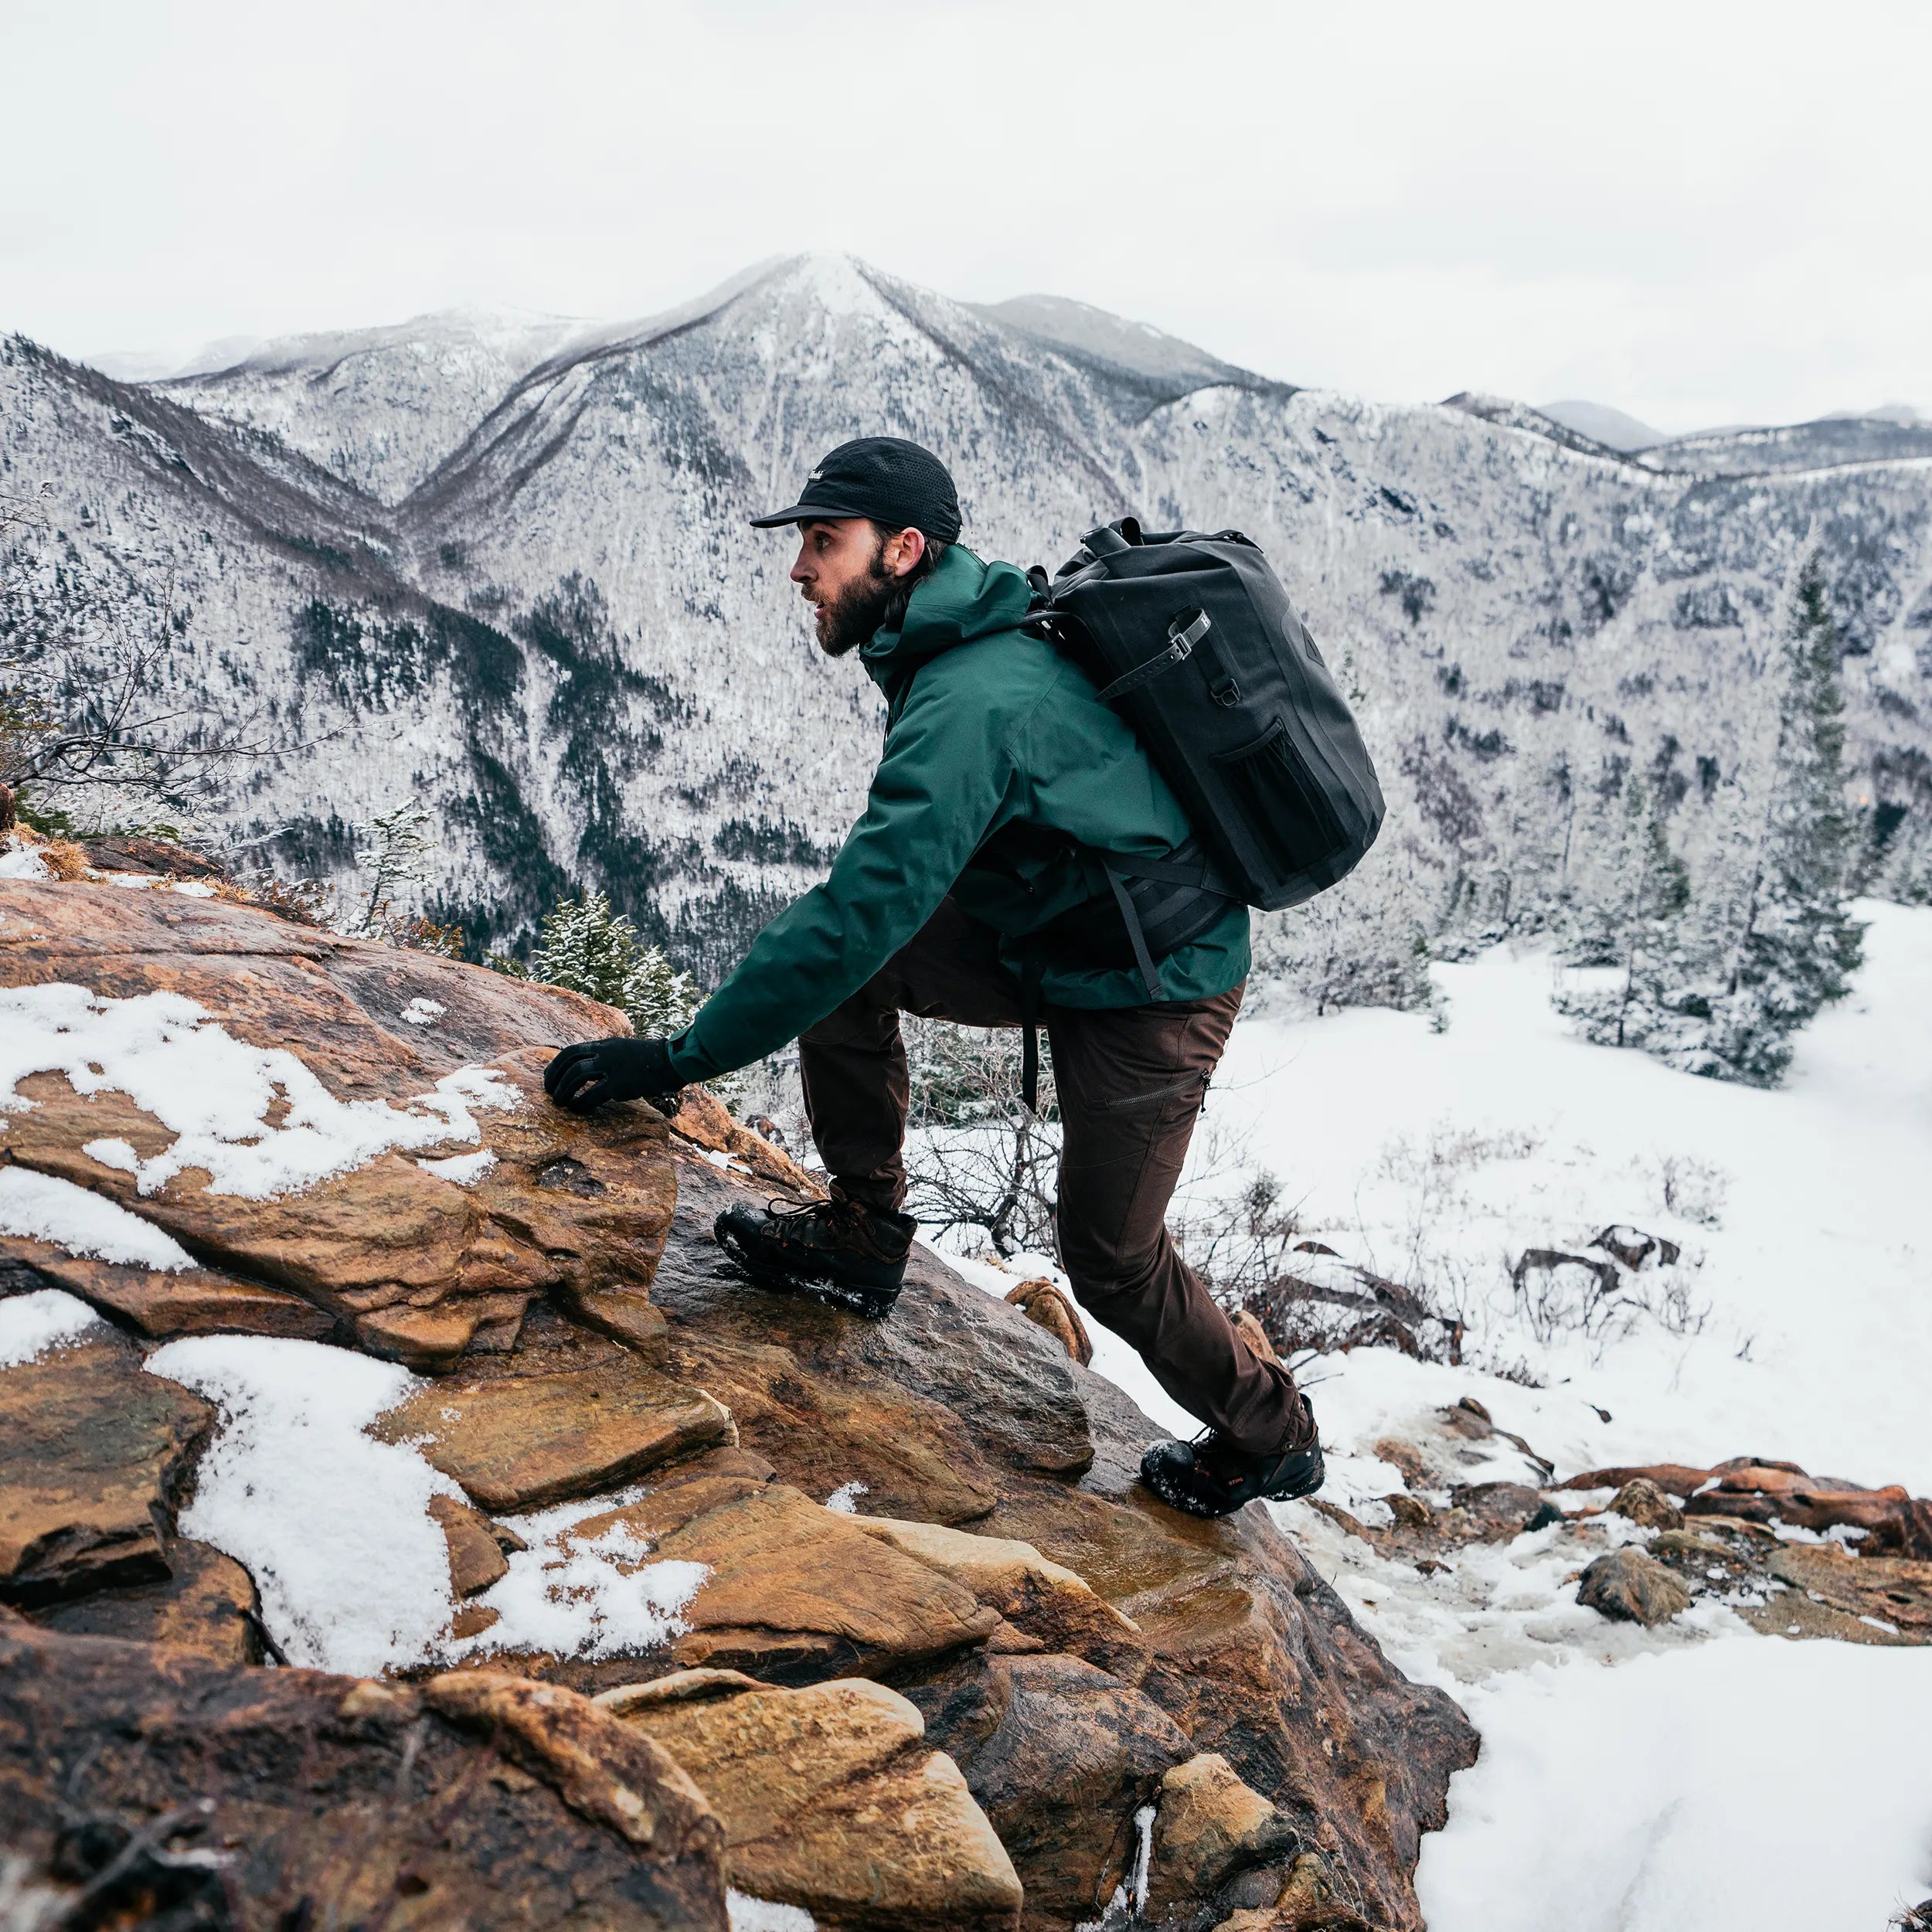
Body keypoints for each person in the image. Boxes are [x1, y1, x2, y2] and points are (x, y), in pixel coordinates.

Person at [545, 437, 1322, 1518]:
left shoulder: (972, 694)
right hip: (1060, 932)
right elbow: (874, 920)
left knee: (1109, 1258)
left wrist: (680, 1060)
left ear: (903, 551)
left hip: (1158, 983)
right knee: (849, 973)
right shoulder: (941, 642)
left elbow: (863, 908)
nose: (800, 568)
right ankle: (864, 1237)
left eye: (826, 542)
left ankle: (1269, 1431)